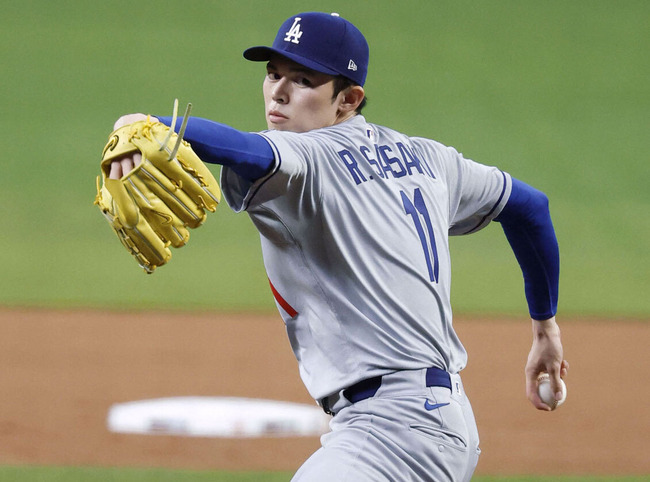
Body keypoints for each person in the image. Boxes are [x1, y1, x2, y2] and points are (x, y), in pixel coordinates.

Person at [109, 12, 568, 481]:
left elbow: (245, 149)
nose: (279, 92)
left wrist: (146, 125)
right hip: (432, 422)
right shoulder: (430, 158)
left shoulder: (311, 153)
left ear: (348, 99)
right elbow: (530, 207)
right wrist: (545, 330)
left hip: (394, 432)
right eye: (273, 73)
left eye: (303, 80)